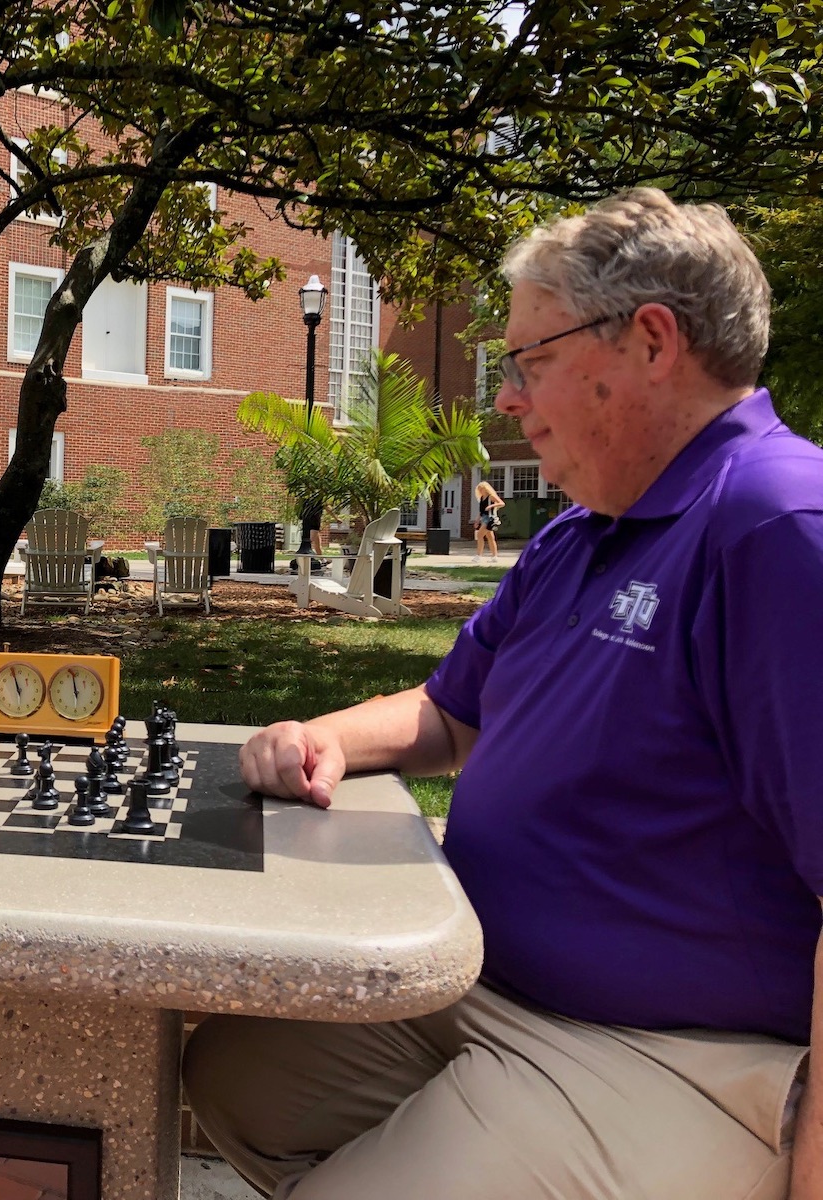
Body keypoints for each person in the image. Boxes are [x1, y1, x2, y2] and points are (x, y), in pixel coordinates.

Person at [184, 189, 823, 1200]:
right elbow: (449, 712)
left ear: (651, 343)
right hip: (476, 979)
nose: (508, 400)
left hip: (670, 1051)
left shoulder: (778, 526)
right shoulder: (582, 529)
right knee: (225, 1072)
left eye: (528, 361)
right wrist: (326, 736)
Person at [472, 478, 504, 561]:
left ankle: (478, 556)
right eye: (479, 489)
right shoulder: (482, 498)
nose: (480, 490)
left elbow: (501, 503)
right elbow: (481, 511)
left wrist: (492, 506)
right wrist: (477, 520)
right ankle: (494, 556)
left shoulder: (491, 497)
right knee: (490, 537)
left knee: (479, 535)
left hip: (490, 518)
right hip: (484, 518)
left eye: (481, 489)